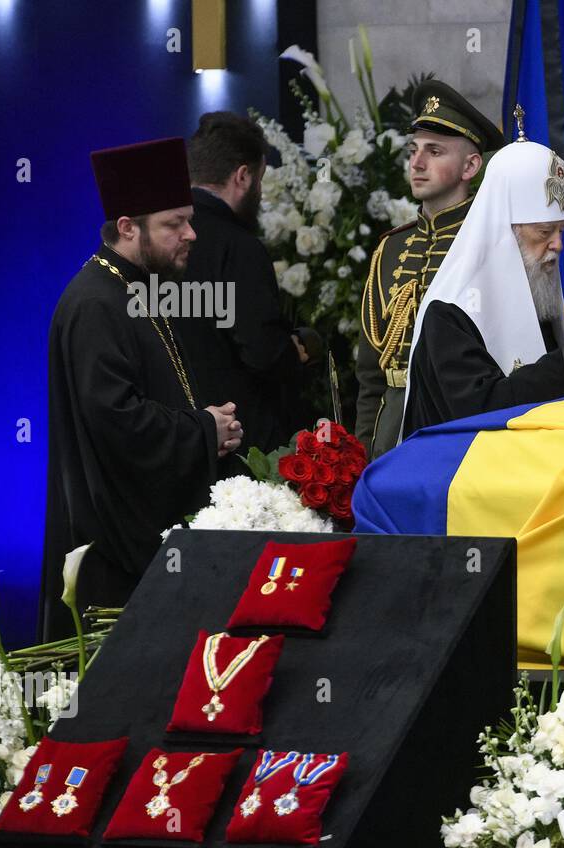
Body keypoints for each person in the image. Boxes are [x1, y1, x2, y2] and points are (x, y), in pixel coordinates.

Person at [38, 137, 242, 641]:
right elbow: (116, 421)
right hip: (109, 552)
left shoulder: (134, 288)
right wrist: (203, 430)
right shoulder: (95, 303)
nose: (191, 234)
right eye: (175, 223)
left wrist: (207, 422)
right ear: (128, 227)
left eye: (189, 219)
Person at [393, 126, 564, 439]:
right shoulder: (451, 312)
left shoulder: (538, 297)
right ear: (505, 233)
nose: (558, 245)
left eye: (561, 231)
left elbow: (534, 391)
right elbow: (482, 411)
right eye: (544, 232)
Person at [355, 80, 505, 459]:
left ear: (471, 165)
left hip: (458, 424)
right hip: (392, 431)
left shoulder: (494, 243)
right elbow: (371, 374)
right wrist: (365, 451)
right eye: (414, 150)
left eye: (434, 152)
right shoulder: (391, 248)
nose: (417, 163)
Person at [181, 111, 324, 477]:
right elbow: (262, 352)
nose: (259, 192)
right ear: (243, 176)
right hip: (239, 447)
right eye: (259, 181)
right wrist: (297, 350)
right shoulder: (240, 247)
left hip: (177, 437)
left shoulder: (157, 243)